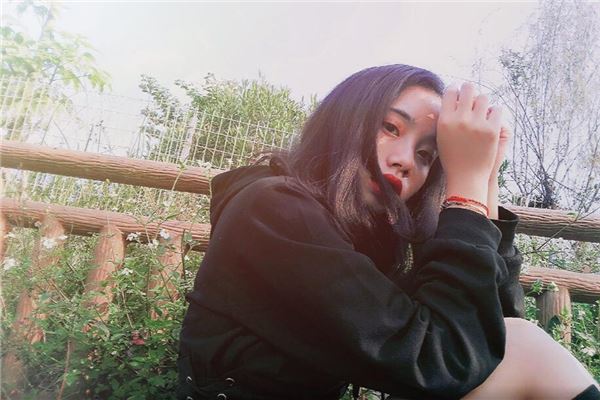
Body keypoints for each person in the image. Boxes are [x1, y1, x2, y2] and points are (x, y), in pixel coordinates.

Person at [177, 65, 599, 399]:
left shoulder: (364, 239)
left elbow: (488, 340)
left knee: (520, 345)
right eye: (391, 128)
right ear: (343, 122)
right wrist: (466, 186)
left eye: (427, 155)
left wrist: (484, 178)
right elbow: (443, 360)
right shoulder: (273, 209)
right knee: (527, 349)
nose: (405, 160)